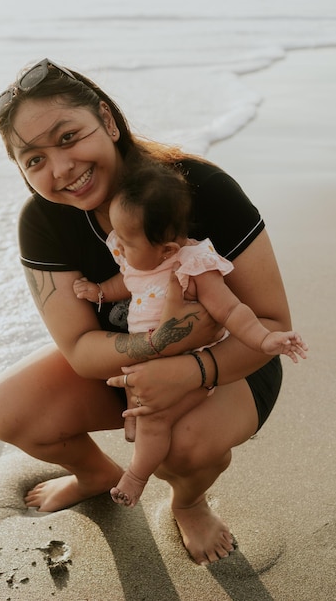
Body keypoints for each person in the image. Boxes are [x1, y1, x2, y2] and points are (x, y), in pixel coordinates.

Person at [0, 57, 300, 566]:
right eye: (34, 160)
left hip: (235, 361)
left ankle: (189, 503)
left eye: (67, 138)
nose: (60, 169)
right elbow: (83, 353)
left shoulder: (200, 188)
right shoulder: (42, 222)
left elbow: (271, 323)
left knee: (186, 446)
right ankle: (95, 474)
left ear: (108, 121)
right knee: (9, 411)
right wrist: (172, 343)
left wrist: (191, 368)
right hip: (122, 370)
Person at [73, 156, 308, 507]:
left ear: (167, 248)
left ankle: (136, 478)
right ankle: (134, 420)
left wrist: (264, 338)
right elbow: (128, 281)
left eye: (125, 240)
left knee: (155, 420)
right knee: (136, 390)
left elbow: (230, 309)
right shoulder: (137, 257)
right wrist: (102, 292)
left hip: (186, 368)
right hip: (145, 356)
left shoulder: (193, 266)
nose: (117, 246)